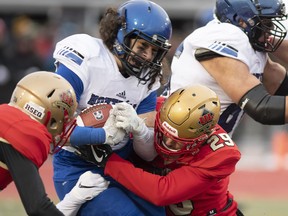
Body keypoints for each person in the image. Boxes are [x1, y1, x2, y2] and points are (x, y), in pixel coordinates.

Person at [52, 0, 172, 215]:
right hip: (78, 164)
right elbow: (53, 130)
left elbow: (147, 155)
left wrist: (140, 130)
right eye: (143, 46)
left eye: (154, 50)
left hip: (122, 163)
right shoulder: (87, 57)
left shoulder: (147, 79)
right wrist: (101, 135)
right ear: (120, 36)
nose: (147, 56)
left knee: (160, 211)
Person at [76, 84, 243, 216]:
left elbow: (161, 192)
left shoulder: (220, 155)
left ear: (200, 139)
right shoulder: (154, 108)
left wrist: (108, 161)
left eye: (178, 142)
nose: (167, 142)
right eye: (163, 133)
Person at [167, 0, 288, 136]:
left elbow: (278, 84)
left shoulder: (250, 44)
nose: (270, 30)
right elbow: (263, 108)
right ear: (240, 20)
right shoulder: (225, 35)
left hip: (198, 144)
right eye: (266, 23)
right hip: (175, 143)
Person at [0, 71, 109, 216]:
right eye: (63, 118)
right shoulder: (22, 132)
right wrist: (73, 200)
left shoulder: (5, 117)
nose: (64, 125)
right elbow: (38, 208)